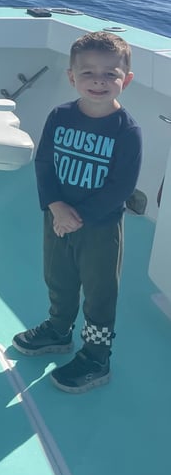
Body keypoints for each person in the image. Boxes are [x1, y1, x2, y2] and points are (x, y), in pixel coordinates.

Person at [12, 31, 142, 393]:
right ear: (71, 77)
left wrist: (76, 217)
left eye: (110, 73)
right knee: (58, 278)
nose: (98, 80)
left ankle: (96, 358)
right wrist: (56, 207)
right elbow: (44, 164)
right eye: (87, 72)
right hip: (57, 218)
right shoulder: (60, 116)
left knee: (100, 293)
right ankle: (58, 329)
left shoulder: (127, 131)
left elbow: (121, 187)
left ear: (126, 80)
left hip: (99, 229)